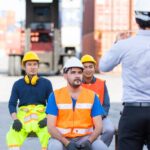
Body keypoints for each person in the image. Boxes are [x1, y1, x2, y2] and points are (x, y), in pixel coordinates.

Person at [99, 0, 150, 149]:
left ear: (136, 19)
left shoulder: (124, 45)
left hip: (132, 111)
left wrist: (117, 43)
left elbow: (104, 66)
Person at [46, 57, 108, 150]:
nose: (77, 75)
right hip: (61, 138)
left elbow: (99, 126)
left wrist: (89, 141)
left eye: (79, 72)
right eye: (73, 72)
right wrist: (67, 143)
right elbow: (50, 127)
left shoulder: (92, 96)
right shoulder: (55, 96)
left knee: (101, 148)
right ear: (65, 75)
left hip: (85, 138)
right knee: (55, 147)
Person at [6, 51, 53, 150]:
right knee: (12, 134)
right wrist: (16, 120)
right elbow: (12, 104)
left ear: (38, 66)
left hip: (41, 116)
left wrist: (47, 119)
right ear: (24, 67)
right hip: (23, 116)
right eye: (29, 64)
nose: (32, 67)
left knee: (49, 133)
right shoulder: (17, 84)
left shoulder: (46, 83)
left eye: (35, 64)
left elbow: (52, 104)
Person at [81, 54, 115, 147]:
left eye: (90, 67)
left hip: (100, 116)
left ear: (94, 68)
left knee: (109, 130)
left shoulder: (101, 83)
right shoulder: (77, 84)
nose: (88, 70)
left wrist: (99, 117)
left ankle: (99, 147)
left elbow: (106, 104)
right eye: (85, 67)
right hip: (82, 118)